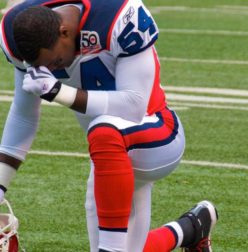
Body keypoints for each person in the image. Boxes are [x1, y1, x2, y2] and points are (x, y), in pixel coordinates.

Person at [0, 1, 218, 251]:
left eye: (55, 61)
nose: (50, 70)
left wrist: (60, 92)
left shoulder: (118, 17)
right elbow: (23, 115)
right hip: (109, 158)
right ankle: (191, 228)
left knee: (104, 129)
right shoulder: (18, 34)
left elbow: (133, 107)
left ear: (65, 33)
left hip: (157, 134)